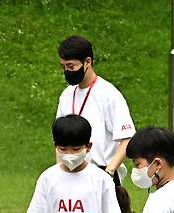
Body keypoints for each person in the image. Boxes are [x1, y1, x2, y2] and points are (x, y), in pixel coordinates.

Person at [56, 35, 135, 185]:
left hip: (103, 174)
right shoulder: (66, 96)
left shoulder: (109, 94)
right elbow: (59, 139)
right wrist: (60, 172)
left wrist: (109, 171)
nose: (67, 71)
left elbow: (127, 138)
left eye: (71, 66)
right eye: (63, 67)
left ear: (87, 62)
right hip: (71, 174)